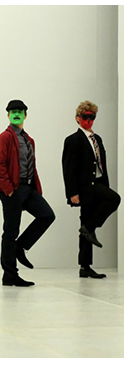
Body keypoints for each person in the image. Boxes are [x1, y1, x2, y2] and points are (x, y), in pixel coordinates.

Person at [0, 100, 55, 286]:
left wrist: (37, 190)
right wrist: (9, 190)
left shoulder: (29, 140)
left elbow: (31, 166)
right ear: (8, 115)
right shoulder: (4, 137)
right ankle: (9, 275)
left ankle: (20, 246)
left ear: (25, 115)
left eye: (19, 111)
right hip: (13, 190)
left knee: (47, 215)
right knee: (10, 232)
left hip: (28, 188)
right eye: (13, 112)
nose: (16, 114)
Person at [62, 100, 120, 279]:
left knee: (87, 224)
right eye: (85, 117)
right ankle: (85, 261)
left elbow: (102, 164)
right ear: (77, 118)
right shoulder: (73, 140)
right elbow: (68, 168)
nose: (89, 120)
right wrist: (72, 193)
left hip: (99, 183)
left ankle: (85, 262)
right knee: (113, 200)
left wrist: (105, 184)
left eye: (92, 117)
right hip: (85, 187)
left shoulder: (97, 139)